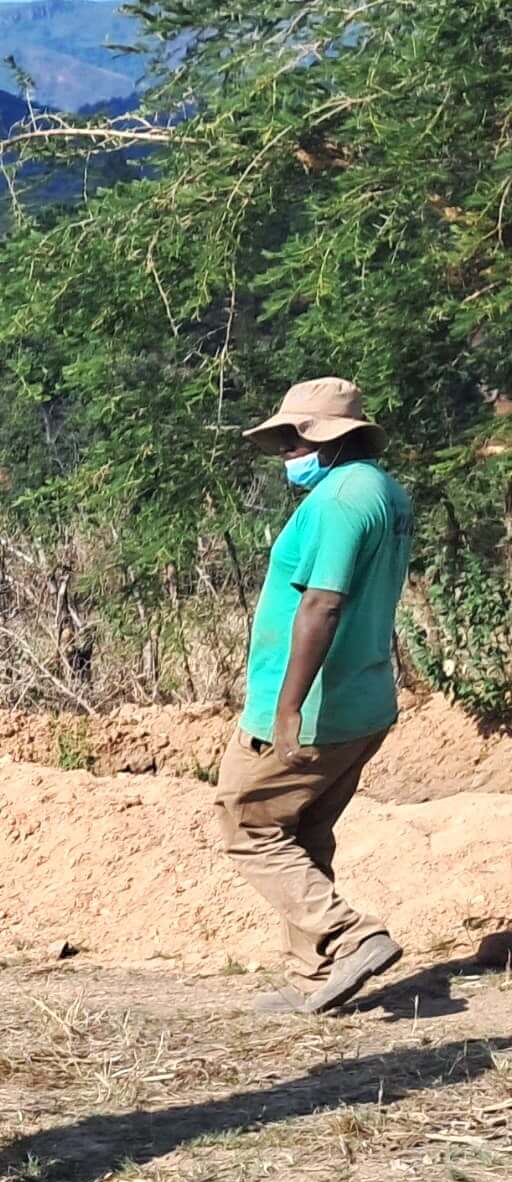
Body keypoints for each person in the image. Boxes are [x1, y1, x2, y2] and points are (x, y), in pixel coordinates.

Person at [218, 378, 414, 1014]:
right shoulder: (381, 489)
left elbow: (322, 603)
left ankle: (353, 935)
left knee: (245, 823)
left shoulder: (337, 504)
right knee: (302, 832)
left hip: (316, 704)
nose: (284, 454)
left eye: (290, 440)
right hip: (365, 697)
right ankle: (315, 978)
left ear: (321, 437)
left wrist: (287, 706)